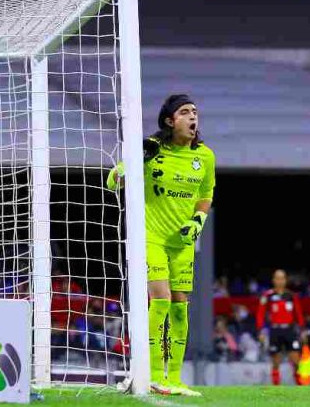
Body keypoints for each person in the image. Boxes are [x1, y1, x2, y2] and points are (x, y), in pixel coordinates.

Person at [107, 94, 216, 396]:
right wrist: (126, 167)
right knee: (162, 298)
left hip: (182, 243)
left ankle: (175, 379)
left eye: (195, 112)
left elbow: (205, 195)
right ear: (170, 120)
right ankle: (153, 374)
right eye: (185, 112)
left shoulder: (205, 156)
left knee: (181, 307)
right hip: (151, 237)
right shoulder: (153, 150)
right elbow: (112, 181)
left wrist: (197, 222)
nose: (193, 117)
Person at [256, 269, 307, 385]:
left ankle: (301, 388)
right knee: (276, 362)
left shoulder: (291, 296)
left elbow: (298, 314)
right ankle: (276, 391)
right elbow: (260, 315)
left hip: (290, 330)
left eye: (282, 278)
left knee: (296, 360)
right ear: (273, 280)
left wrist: (303, 331)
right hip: (275, 330)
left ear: (285, 280)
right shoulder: (267, 296)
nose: (280, 281)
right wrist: (260, 331)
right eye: (277, 278)